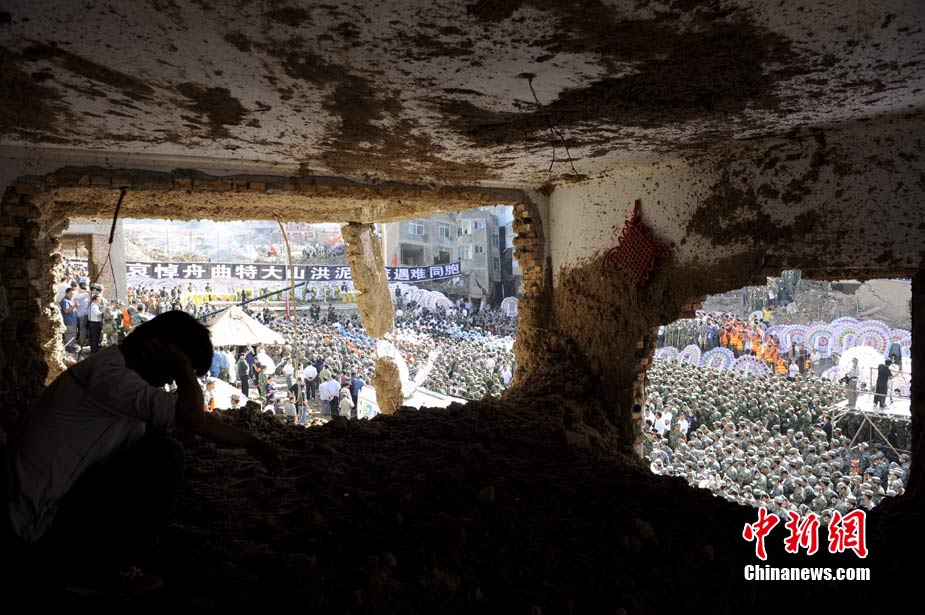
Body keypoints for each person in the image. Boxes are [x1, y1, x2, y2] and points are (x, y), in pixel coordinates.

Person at [5, 311, 283, 593]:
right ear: (156, 350)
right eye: (170, 370)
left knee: (154, 439)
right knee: (163, 454)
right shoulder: (111, 378)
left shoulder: (113, 370)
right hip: (35, 525)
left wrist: (253, 444)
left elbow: (191, 419)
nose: (167, 382)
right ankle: (97, 569)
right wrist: (183, 369)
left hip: (42, 509)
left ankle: (101, 554)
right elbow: (191, 417)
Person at [59, 287, 79, 353]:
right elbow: (66, 310)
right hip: (68, 321)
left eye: (73, 293)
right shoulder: (65, 301)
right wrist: (74, 306)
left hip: (73, 321)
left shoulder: (70, 300)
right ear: (66, 293)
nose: (72, 295)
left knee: (73, 335)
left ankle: (71, 346)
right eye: (70, 293)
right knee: (69, 335)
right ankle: (68, 348)